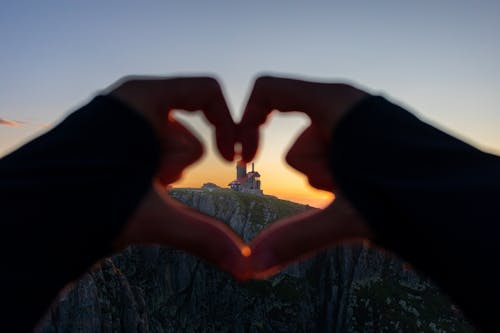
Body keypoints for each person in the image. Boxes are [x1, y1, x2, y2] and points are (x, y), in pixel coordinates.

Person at [0, 75, 496, 332]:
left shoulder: (244, 181)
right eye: (247, 176)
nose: (247, 178)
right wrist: (447, 184)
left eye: (247, 177)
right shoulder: (242, 184)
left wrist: (35, 194)